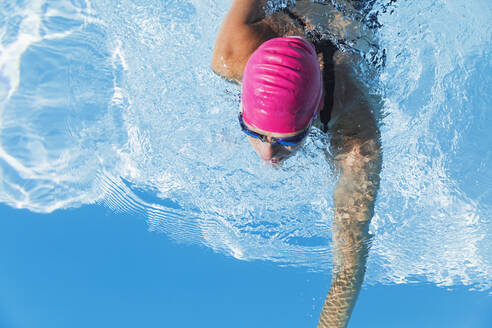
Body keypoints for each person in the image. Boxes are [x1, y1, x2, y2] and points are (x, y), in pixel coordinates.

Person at [211, 1, 382, 327]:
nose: (268, 155)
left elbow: (348, 266)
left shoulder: (355, 131)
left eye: (289, 140)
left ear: (315, 113)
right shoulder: (230, 55)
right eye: (254, 131)